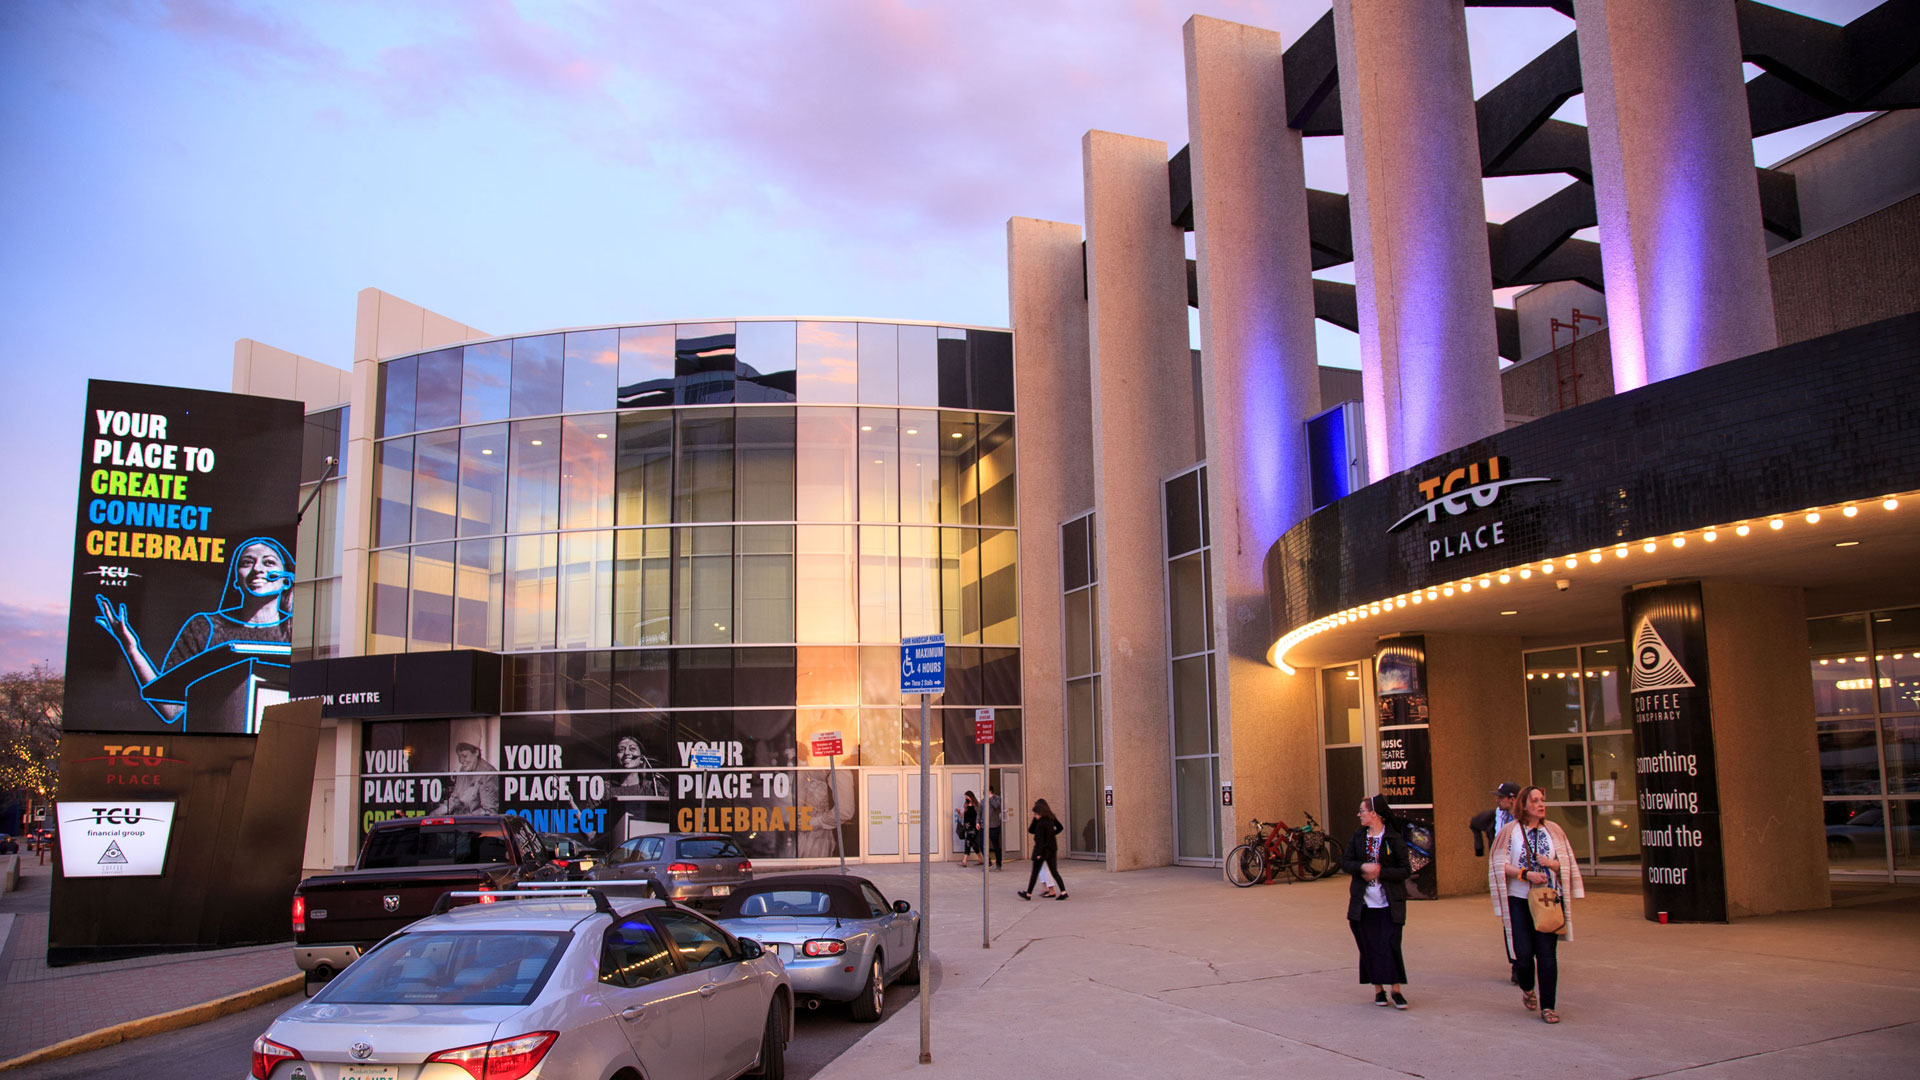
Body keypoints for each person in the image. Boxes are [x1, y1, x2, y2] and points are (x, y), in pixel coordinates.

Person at [93, 537, 294, 733]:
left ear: (286, 580)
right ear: (236, 580)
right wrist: (131, 649)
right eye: (247, 563)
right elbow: (170, 709)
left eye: (269, 563)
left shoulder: (297, 630)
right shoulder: (205, 628)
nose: (257, 569)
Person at [1488, 784, 1587, 1025]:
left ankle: (1548, 1006)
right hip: (1519, 899)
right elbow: (1498, 864)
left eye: (1542, 800)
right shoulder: (1510, 832)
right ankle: (1527, 987)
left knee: (1547, 954)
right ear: (1523, 804)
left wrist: (1553, 865)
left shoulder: (1554, 830)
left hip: (1548, 900)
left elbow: (1567, 862)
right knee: (1522, 954)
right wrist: (1525, 874)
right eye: (1535, 800)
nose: (1541, 804)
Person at [1342, 793, 1412, 1009]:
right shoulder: (1358, 837)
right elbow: (1345, 862)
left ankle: (1396, 990)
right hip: (1363, 904)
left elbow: (1405, 869)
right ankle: (1378, 989)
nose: (1359, 815)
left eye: (1362, 811)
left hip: (1389, 903)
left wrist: (1381, 872)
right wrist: (1363, 867)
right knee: (1369, 946)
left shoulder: (1393, 838)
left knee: (1390, 945)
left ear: (1374, 813)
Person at [1470, 781, 1522, 975]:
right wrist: (1479, 849)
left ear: (1513, 799)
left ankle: (1527, 957)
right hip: (1503, 873)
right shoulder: (1495, 816)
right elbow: (1474, 823)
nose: (1497, 800)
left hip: (1524, 872)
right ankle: (1516, 964)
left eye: (1501, 797)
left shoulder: (1526, 818)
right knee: (1510, 919)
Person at [429, 741, 502, 815]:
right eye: (459, 756)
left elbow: (489, 811)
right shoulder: (463, 770)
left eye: (464, 756)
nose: (461, 761)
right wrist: (437, 812)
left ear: (476, 752)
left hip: (475, 823)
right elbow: (455, 798)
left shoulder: (488, 773)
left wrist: (466, 817)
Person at [1018, 798, 1067, 901]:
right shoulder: (1050, 818)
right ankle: (1063, 891)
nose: (1034, 816)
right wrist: (1051, 835)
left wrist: (1039, 853)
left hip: (1042, 850)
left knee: (1035, 872)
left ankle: (1029, 894)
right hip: (1052, 848)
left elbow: (1037, 837)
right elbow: (1059, 828)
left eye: (1035, 814)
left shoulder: (1040, 823)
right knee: (1054, 871)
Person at [959, 791, 982, 867]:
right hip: (967, 827)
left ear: (971, 797)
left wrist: (978, 824)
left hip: (974, 827)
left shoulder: (977, 805)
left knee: (968, 842)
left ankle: (964, 861)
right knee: (973, 844)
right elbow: (964, 816)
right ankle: (981, 859)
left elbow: (979, 816)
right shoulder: (965, 805)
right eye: (965, 797)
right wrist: (959, 813)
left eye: (967, 797)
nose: (966, 799)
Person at [987, 787, 1004, 870]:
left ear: (990, 791)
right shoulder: (984, 800)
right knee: (982, 843)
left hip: (994, 826)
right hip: (985, 826)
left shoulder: (997, 798)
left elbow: (996, 806)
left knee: (995, 845)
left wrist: (990, 798)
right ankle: (988, 862)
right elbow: (981, 810)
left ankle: (998, 863)